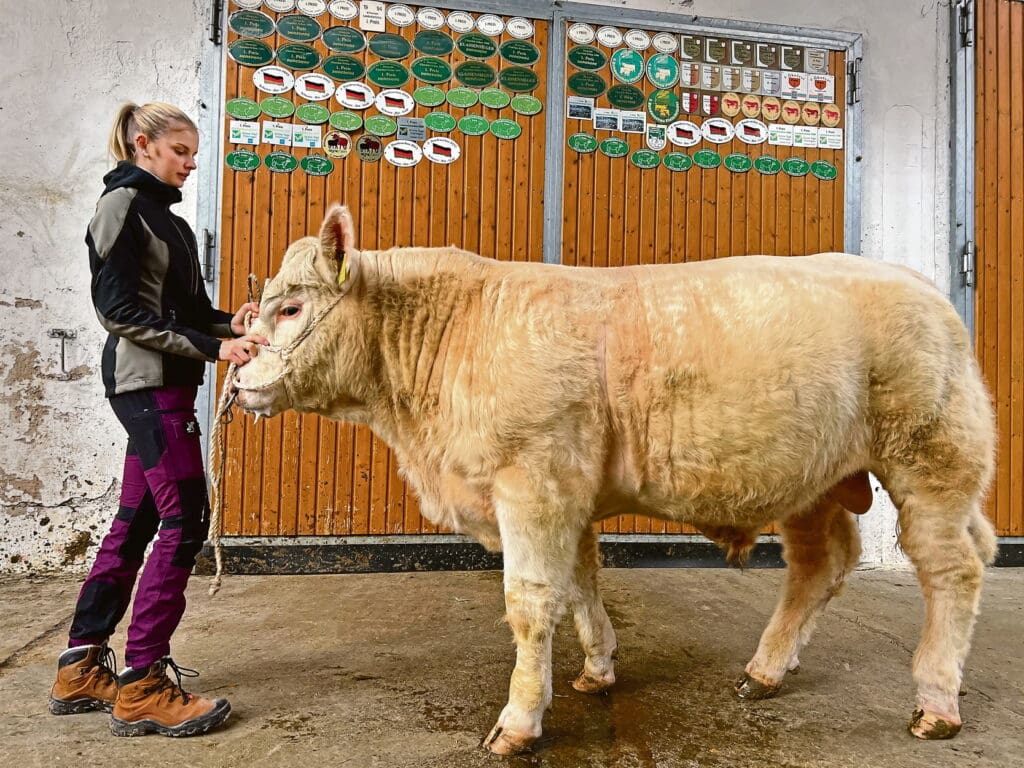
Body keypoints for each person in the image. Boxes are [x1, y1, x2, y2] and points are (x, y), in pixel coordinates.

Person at [48, 102, 266, 737]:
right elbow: (118, 312)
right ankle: (142, 682)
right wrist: (213, 348)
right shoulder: (120, 207)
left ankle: (81, 665)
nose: (192, 164)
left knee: (139, 516)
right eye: (181, 152)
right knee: (186, 517)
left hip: (166, 385)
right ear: (143, 145)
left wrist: (234, 324)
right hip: (144, 385)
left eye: (194, 153)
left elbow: (192, 310)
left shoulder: (168, 221)